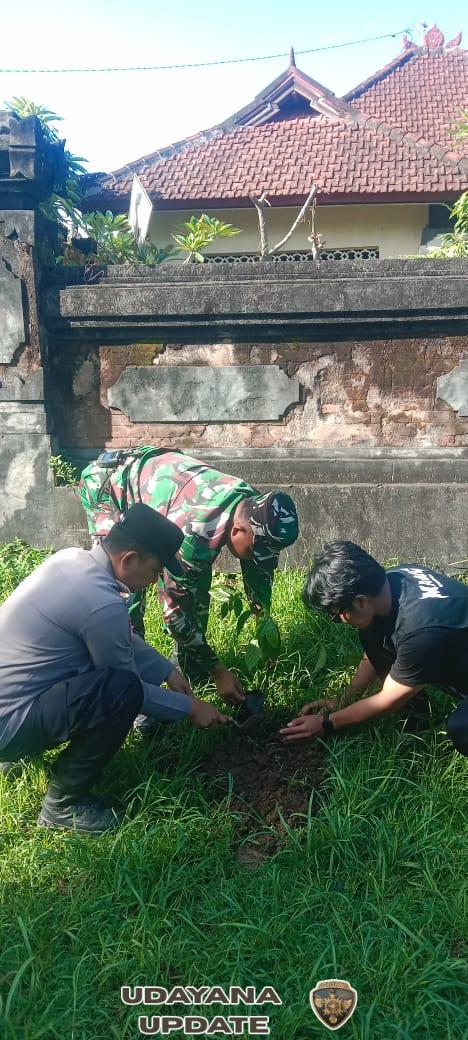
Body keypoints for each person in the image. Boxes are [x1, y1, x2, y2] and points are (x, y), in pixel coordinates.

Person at [0, 504, 228, 834]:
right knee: (119, 690)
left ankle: (16, 749)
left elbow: (119, 635)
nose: (153, 581)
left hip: (8, 702)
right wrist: (190, 708)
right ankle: (63, 805)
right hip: (10, 722)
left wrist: (166, 671)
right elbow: (128, 688)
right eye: (154, 570)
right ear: (129, 559)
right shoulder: (101, 603)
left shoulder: (71, 561)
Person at [80, 447, 299, 707]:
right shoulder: (194, 534)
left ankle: (189, 667)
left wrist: (266, 634)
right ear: (238, 530)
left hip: (156, 482)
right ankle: (136, 690)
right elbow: (174, 611)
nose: (256, 559)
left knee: (196, 588)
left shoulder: (255, 510)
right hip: (110, 485)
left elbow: (259, 573)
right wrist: (218, 671)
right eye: (254, 551)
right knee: (127, 591)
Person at [280, 541, 468, 755]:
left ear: (360, 601)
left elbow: (387, 700)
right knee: (369, 629)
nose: (339, 621)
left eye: (336, 615)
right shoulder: (394, 579)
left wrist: (326, 723)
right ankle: (418, 723)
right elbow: (374, 649)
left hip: (437, 637)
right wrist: (343, 701)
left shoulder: (420, 632)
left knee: (462, 729)